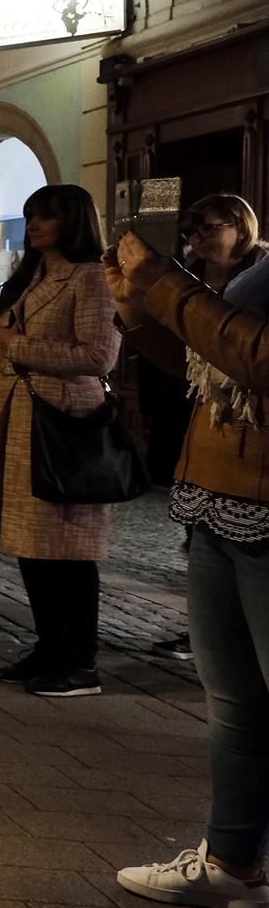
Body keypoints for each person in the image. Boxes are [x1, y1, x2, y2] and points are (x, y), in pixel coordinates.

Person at [108, 229, 269, 908]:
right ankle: (231, 862)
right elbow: (215, 356)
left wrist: (169, 286)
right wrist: (141, 311)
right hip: (217, 487)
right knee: (235, 700)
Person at [0, 185, 120, 697]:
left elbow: (98, 356)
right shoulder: (30, 277)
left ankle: (81, 663)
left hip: (61, 426)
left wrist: (19, 348)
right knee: (31, 545)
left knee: (68, 547)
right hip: (14, 422)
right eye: (30, 215)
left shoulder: (91, 277)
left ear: (72, 221)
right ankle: (49, 646)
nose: (32, 225)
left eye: (45, 216)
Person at [147, 195, 268, 662]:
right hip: (206, 451)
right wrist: (136, 307)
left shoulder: (255, 277)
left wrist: (171, 290)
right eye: (191, 231)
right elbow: (186, 360)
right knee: (229, 683)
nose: (197, 239)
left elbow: (246, 356)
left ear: (241, 227)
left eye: (209, 228)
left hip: (254, 467)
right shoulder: (189, 272)